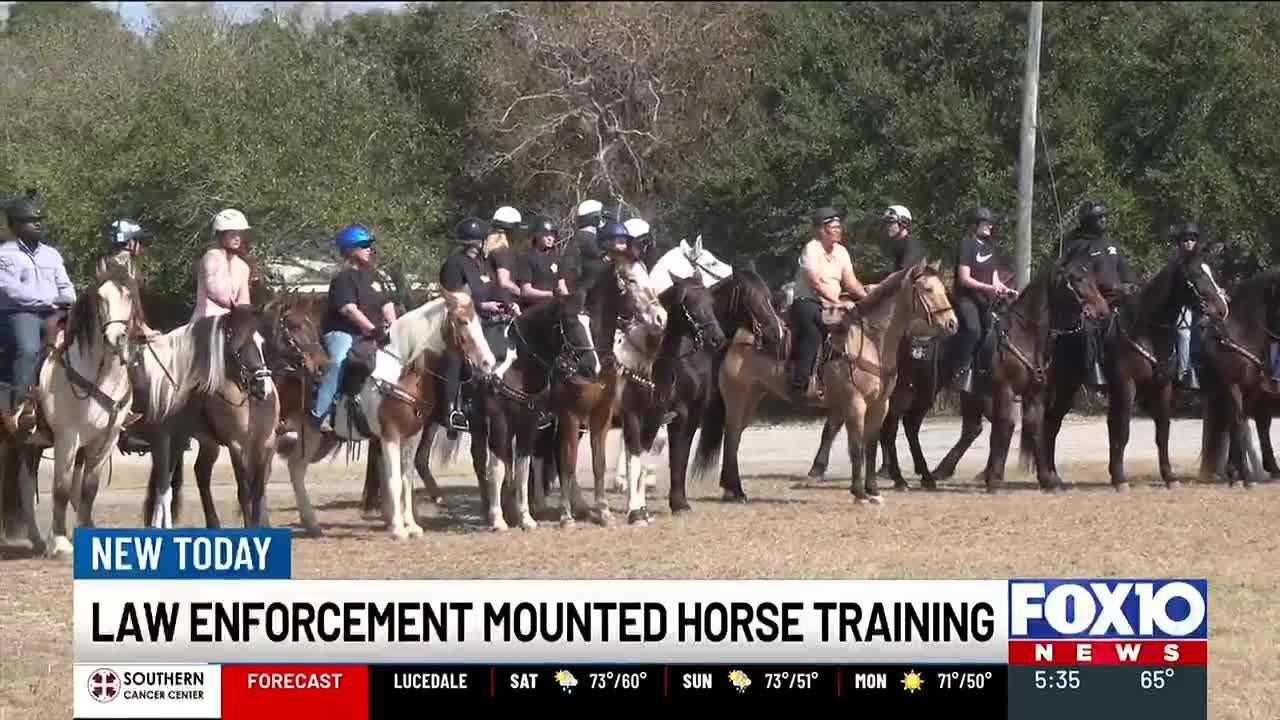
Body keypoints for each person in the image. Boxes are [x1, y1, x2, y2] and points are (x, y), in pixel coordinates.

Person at [308, 224, 396, 432]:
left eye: (369, 245)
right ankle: (321, 414)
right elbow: (349, 310)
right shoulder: (343, 278)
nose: (369, 249)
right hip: (343, 333)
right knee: (339, 362)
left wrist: (394, 325)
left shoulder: (375, 276)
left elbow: (387, 303)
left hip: (372, 333)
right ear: (350, 249)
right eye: (363, 245)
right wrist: (372, 329)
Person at [0, 196, 76, 433]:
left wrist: (69, 299)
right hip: (21, 313)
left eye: (39, 221)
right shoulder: (5, 254)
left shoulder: (51, 254)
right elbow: (13, 291)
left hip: (56, 311)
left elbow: (66, 285)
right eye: (31, 221)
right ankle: (20, 404)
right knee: (29, 349)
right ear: (16, 226)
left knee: (92, 340)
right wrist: (51, 300)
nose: (38, 225)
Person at [787, 206, 867, 401]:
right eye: (833, 226)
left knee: (858, 328)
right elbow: (815, 282)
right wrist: (838, 302)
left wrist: (867, 298)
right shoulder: (811, 249)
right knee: (814, 334)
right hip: (808, 301)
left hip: (832, 305)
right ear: (820, 230)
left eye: (839, 226)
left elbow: (851, 281)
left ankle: (841, 379)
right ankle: (801, 385)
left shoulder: (842, 252)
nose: (838, 230)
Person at [1061, 199, 1138, 388]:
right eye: (1098, 218)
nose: (1104, 221)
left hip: (1119, 300)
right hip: (1093, 300)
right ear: (1088, 221)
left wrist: (1130, 284)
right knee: (1089, 326)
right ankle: (1093, 368)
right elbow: (1079, 276)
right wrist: (1114, 286)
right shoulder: (1077, 245)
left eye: (1104, 217)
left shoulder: (1112, 244)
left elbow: (1125, 270)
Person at [99, 217, 162, 426]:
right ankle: (132, 417)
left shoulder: (129, 266)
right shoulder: (111, 267)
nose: (141, 246)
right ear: (127, 241)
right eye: (138, 241)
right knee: (138, 373)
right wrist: (141, 328)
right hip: (114, 332)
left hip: (131, 329)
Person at [437, 216, 494, 435]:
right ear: (478, 242)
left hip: (480, 318)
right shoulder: (454, 263)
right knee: (455, 357)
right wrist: (482, 304)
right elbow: (454, 299)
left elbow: (478, 293)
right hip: (458, 323)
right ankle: (451, 410)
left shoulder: (476, 264)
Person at [950, 207, 1012, 392]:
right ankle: (961, 370)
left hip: (985, 300)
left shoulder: (990, 248)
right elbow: (964, 278)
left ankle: (985, 372)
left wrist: (1005, 289)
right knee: (973, 330)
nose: (990, 227)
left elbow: (995, 280)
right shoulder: (966, 245)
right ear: (975, 225)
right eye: (986, 223)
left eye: (990, 224)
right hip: (966, 297)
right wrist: (988, 288)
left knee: (997, 332)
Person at [192, 208, 255, 322]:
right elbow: (214, 292)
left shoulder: (243, 266)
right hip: (205, 321)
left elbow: (244, 300)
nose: (237, 238)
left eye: (240, 234)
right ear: (221, 235)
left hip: (230, 323)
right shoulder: (211, 256)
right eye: (232, 234)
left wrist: (246, 313)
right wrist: (237, 308)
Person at [517, 214, 570, 310]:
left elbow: (561, 284)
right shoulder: (527, 258)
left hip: (554, 308)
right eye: (546, 235)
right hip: (533, 310)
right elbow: (526, 291)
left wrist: (568, 300)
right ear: (536, 235)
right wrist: (551, 294)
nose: (550, 238)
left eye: (553, 235)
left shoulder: (556, 258)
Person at [487, 206, 525, 304]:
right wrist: (524, 294)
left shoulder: (490, 249)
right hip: (505, 303)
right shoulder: (503, 251)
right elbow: (504, 282)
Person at [882, 205, 922, 271]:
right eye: (886, 223)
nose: (887, 226)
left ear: (903, 224)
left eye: (891, 222)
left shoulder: (910, 246)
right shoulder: (897, 244)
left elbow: (903, 276)